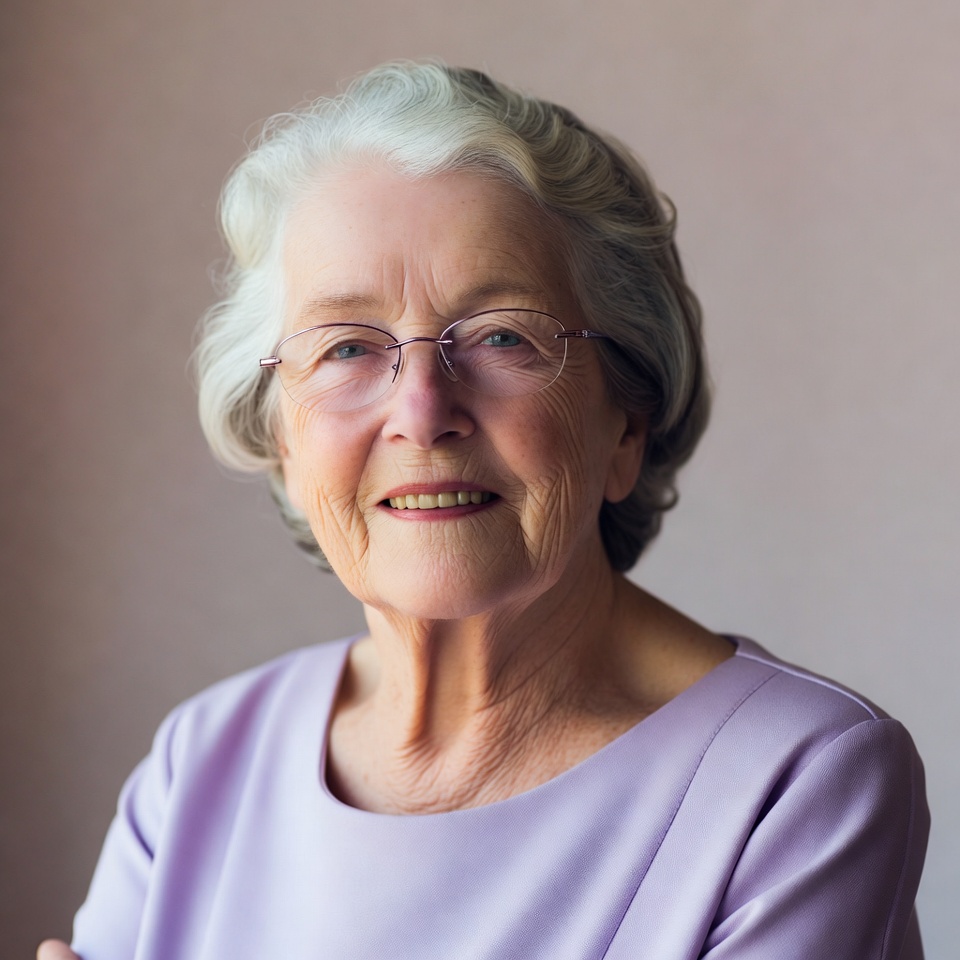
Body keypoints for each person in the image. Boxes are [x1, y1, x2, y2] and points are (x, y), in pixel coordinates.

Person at [39, 61, 928, 960]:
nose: (422, 412)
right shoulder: (204, 762)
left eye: (502, 335)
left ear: (625, 423)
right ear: (281, 444)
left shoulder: (798, 781)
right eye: (346, 347)